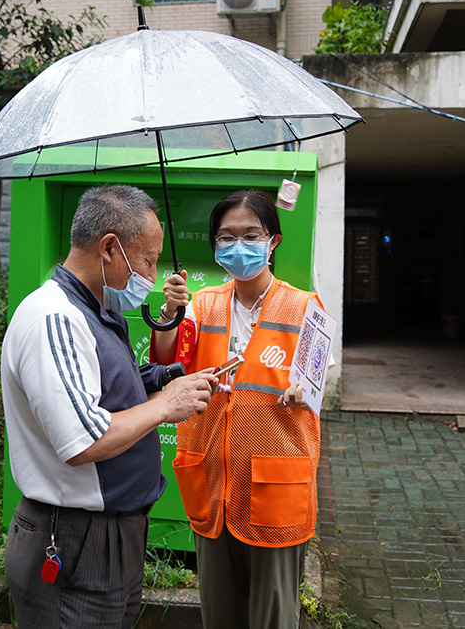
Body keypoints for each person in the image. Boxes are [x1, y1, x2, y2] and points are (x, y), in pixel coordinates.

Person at [1, 185, 217, 629]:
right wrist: (166, 406)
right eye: (148, 260)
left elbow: (111, 387)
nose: (152, 275)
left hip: (112, 532)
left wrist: (170, 379)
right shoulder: (55, 318)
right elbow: (84, 440)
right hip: (74, 537)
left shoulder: (97, 309)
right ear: (109, 248)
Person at [151, 189, 323, 629]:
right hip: (212, 482)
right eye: (226, 237)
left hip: (276, 488)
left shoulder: (304, 306)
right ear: (214, 245)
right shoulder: (202, 304)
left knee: (273, 616)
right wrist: (171, 311)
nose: (238, 245)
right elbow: (167, 360)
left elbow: (316, 382)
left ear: (273, 241)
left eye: (250, 235)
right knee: (220, 614)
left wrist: (302, 391)